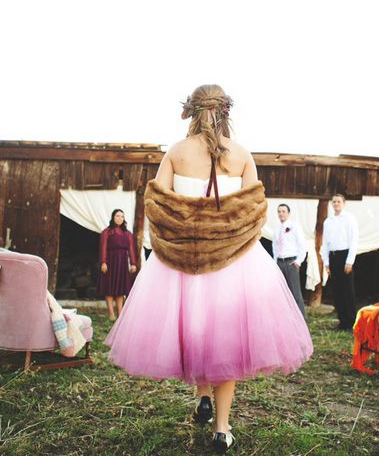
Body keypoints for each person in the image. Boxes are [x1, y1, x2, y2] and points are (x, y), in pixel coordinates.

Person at [104, 85, 313, 453]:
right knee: (227, 339)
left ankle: (202, 395)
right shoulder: (243, 154)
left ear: (192, 112)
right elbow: (254, 211)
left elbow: (157, 204)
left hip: (181, 262)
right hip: (234, 262)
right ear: (225, 112)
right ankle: (221, 427)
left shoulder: (176, 152)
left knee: (195, 329)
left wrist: (185, 227)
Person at [320, 194, 359, 331]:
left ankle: (351, 323)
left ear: (344, 203)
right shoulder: (328, 221)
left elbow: (354, 241)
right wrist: (326, 262)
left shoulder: (349, 219)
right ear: (332, 204)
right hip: (333, 257)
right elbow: (325, 243)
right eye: (334, 202)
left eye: (339, 201)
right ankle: (342, 322)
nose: (336, 204)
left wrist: (349, 261)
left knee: (347, 290)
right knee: (337, 291)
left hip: (345, 255)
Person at [96, 209, 137, 320]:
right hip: (111, 260)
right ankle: (111, 314)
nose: (120, 218)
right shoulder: (107, 232)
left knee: (120, 289)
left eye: (122, 216)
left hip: (122, 261)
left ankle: (120, 314)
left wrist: (133, 263)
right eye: (117, 216)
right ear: (113, 217)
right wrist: (103, 262)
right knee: (109, 287)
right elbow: (103, 247)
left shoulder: (127, 233)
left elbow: (131, 249)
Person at [272, 204, 307, 318]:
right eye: (279, 211)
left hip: (291, 262)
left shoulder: (295, 227)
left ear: (288, 213)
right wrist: (275, 262)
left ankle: (300, 317)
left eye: (283, 211)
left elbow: (302, 245)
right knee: (282, 291)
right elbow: (275, 247)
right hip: (280, 262)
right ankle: (287, 316)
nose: (281, 213)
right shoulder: (277, 229)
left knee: (295, 291)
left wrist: (298, 261)